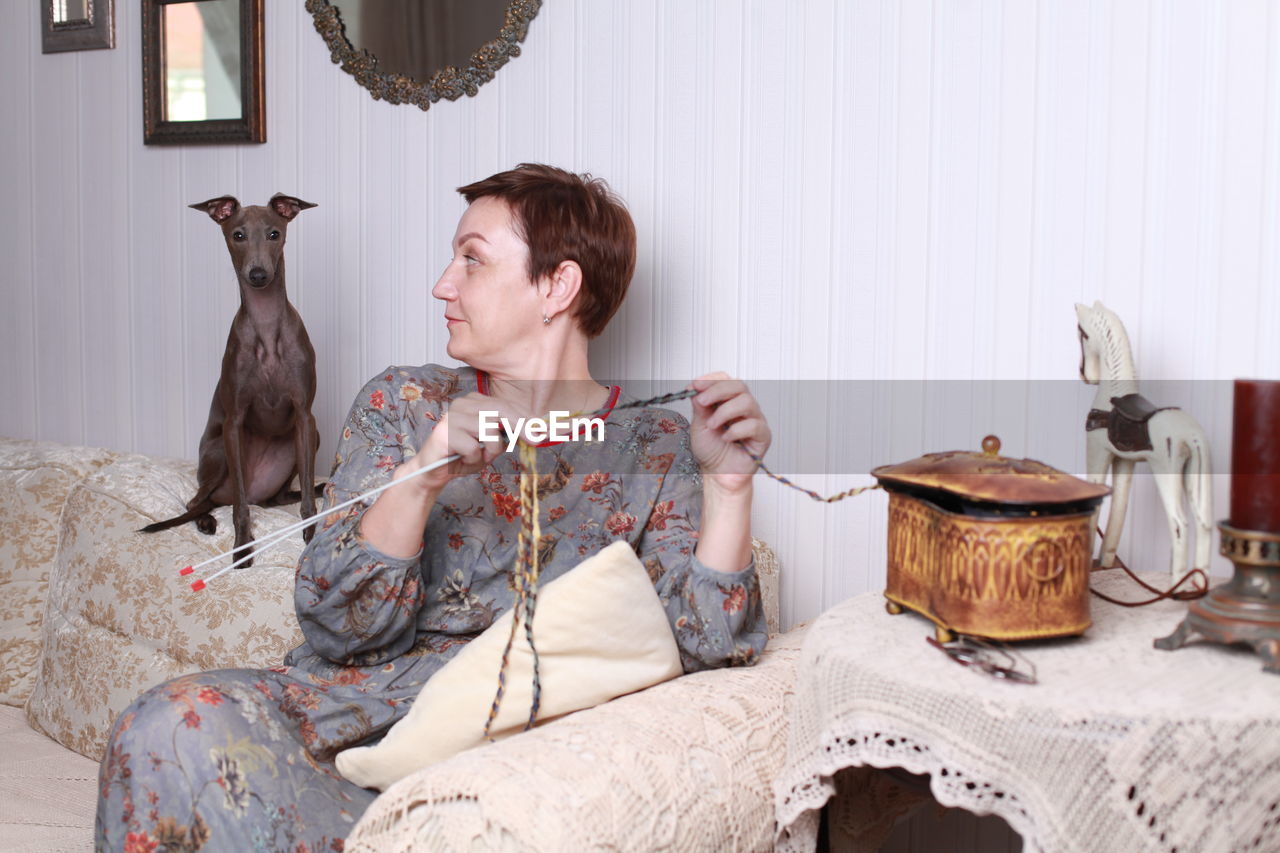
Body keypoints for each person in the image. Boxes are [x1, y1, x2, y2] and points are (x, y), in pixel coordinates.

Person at [95, 164, 772, 851]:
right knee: (165, 723)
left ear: (557, 286)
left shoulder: (657, 447)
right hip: (345, 718)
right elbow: (337, 627)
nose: (442, 284)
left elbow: (710, 654)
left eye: (471, 261)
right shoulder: (404, 403)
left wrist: (730, 486)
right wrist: (421, 477)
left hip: (498, 762)